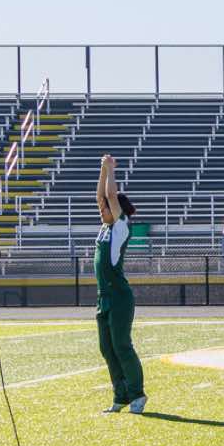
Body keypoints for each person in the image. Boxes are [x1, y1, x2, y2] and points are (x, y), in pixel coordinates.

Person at [93, 153, 147, 415]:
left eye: (107, 208)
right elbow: (101, 197)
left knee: (122, 346)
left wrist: (111, 169)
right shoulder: (105, 227)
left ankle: (137, 394)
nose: (102, 210)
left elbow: (110, 196)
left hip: (119, 297)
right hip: (103, 297)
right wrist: (102, 170)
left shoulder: (122, 226)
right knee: (107, 348)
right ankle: (120, 395)